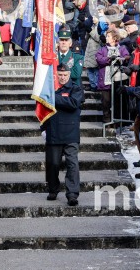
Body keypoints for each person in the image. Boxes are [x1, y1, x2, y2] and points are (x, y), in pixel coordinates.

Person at [43, 64, 83, 206]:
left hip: (71, 133)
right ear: (56, 75)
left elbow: (73, 103)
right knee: (53, 164)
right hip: (53, 131)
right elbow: (43, 108)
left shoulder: (76, 88)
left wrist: (53, 98)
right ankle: (53, 189)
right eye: (60, 75)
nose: (63, 77)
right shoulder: (50, 88)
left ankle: (72, 194)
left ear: (69, 75)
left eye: (65, 75)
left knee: (72, 164)